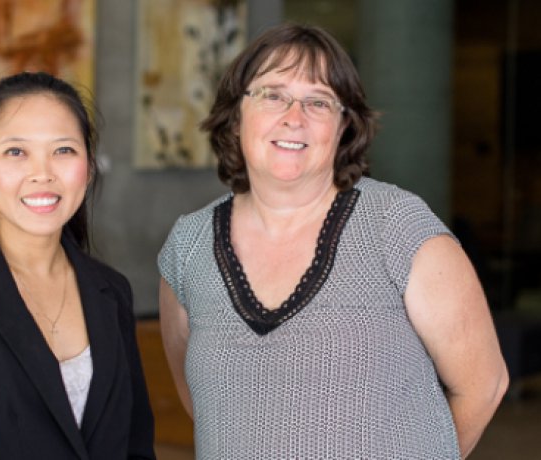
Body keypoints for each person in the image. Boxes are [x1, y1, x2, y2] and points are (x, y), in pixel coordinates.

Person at [158, 24, 508, 459]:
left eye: (318, 101)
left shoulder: (396, 226)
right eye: (272, 95)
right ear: (234, 118)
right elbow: (207, 406)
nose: (294, 117)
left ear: (344, 126)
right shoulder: (188, 245)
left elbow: (484, 385)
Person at [0, 72, 155, 460]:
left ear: (88, 167)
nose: (43, 173)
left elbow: (136, 447)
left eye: (63, 150)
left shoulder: (111, 290)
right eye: (16, 152)